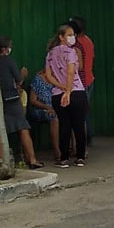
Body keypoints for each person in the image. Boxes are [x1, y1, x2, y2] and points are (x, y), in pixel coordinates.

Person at [0, 36, 43, 169]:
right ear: (4, 49)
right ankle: (32, 160)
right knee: (22, 127)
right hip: (11, 98)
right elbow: (19, 80)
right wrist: (23, 74)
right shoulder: (8, 60)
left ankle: (2, 163)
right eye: (9, 46)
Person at [45, 24, 88, 168]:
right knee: (78, 125)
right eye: (69, 35)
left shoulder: (50, 53)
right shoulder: (71, 52)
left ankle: (63, 159)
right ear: (61, 37)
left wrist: (61, 87)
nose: (72, 37)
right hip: (75, 91)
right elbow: (71, 71)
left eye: (73, 34)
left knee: (64, 125)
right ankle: (80, 156)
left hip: (57, 94)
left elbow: (48, 75)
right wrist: (68, 91)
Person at [69, 16, 95, 146]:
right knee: (84, 111)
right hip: (89, 79)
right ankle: (87, 138)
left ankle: (83, 141)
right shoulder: (88, 40)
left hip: (81, 82)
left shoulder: (76, 43)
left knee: (80, 114)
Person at [28, 70, 61, 163]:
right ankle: (57, 151)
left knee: (70, 115)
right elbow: (33, 100)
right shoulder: (38, 79)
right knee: (54, 119)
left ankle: (74, 148)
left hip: (55, 108)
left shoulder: (57, 78)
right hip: (41, 109)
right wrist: (47, 107)